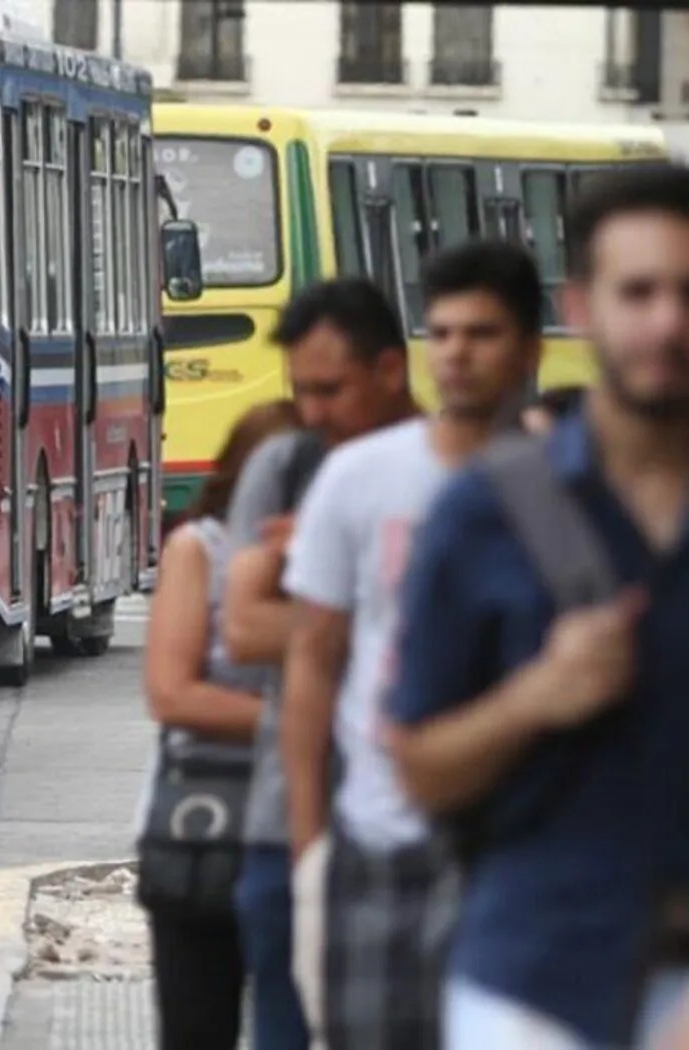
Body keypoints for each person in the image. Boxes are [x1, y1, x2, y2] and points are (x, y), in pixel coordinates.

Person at [387, 164, 689, 1048]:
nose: (666, 323)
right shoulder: (485, 513)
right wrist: (535, 698)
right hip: (532, 986)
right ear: (584, 305)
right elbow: (419, 766)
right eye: (638, 292)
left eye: (688, 291)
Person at [282, 241, 543, 1050]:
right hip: (378, 841)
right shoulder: (358, 478)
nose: (459, 354)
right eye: (444, 333)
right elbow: (314, 659)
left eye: (483, 334)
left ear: (530, 347)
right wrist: (309, 849)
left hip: (519, 848)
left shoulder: (564, 484)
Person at [220, 278, 417, 1050]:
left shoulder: (451, 470)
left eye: (332, 390)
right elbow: (243, 629)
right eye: (301, 390)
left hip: (418, 834)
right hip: (285, 825)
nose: (314, 413)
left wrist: (322, 588)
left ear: (391, 372)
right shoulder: (287, 466)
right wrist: (380, 608)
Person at [140, 399, 301, 1050]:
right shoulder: (200, 549)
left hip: (316, 838)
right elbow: (174, 695)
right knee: (198, 1027)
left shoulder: (348, 556)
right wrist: (308, 726)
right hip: (209, 831)